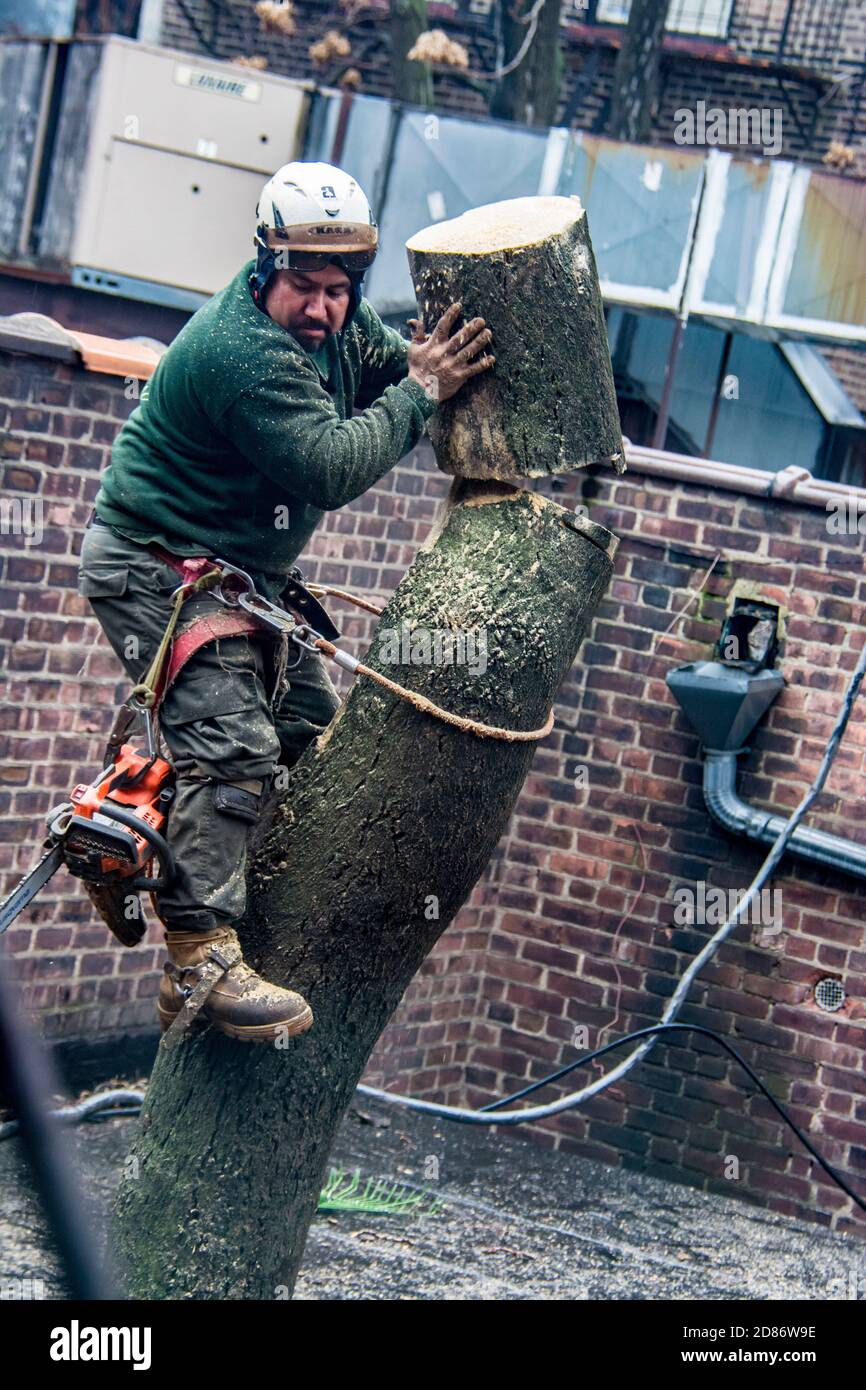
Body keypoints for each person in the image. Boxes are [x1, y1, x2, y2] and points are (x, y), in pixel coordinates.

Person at [76, 160, 495, 1044]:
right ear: (265, 265)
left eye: (339, 291)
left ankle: (150, 844)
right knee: (232, 749)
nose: (322, 310)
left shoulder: (340, 332)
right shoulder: (240, 353)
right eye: (303, 287)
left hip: (241, 576)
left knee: (309, 729)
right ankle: (196, 955)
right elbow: (332, 466)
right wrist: (423, 391)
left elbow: (401, 372)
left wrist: (451, 381)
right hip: (155, 565)